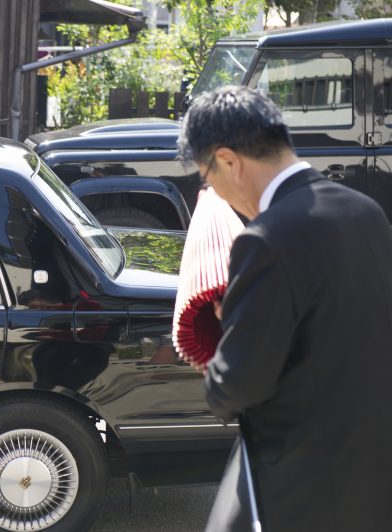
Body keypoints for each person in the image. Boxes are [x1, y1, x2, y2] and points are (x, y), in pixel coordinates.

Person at [178, 86, 392, 531]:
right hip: (373, 472)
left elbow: (238, 385)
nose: (212, 190)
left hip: (301, 486)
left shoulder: (265, 239)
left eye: (206, 176)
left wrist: (217, 350)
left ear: (229, 162)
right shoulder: (367, 212)